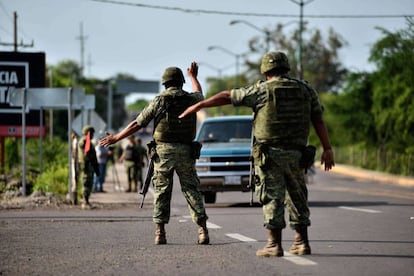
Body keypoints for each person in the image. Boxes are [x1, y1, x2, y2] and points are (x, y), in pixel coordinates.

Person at [179, 52, 335, 256]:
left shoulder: (261, 90)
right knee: (297, 196)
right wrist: (327, 148)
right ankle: (301, 241)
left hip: (270, 155)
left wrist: (200, 104)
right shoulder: (305, 90)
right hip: (298, 154)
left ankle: (273, 244)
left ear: (266, 71)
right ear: (286, 68)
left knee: (272, 197)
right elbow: (318, 120)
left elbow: (228, 96)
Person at [100, 62, 210, 245]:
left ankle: (160, 233)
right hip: (185, 151)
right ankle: (202, 231)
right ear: (181, 82)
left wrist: (117, 137)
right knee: (192, 191)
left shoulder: (159, 101)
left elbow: (137, 123)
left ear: (165, 83)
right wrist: (194, 77)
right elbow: (200, 94)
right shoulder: (191, 99)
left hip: (163, 153)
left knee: (161, 192)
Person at [77, 125, 100, 209]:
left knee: (89, 184)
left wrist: (96, 168)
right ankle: (84, 202)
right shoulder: (84, 141)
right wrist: (86, 138)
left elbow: (93, 157)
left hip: (90, 166)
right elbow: (82, 145)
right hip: (85, 166)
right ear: (88, 133)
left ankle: (87, 201)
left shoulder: (90, 142)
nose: (93, 135)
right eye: (92, 133)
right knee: (86, 183)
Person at [70, 130, 79, 205]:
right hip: (74, 162)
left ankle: (74, 200)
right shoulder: (74, 141)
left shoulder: (76, 141)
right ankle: (74, 199)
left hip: (75, 163)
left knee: (74, 180)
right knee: (73, 181)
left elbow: (75, 153)